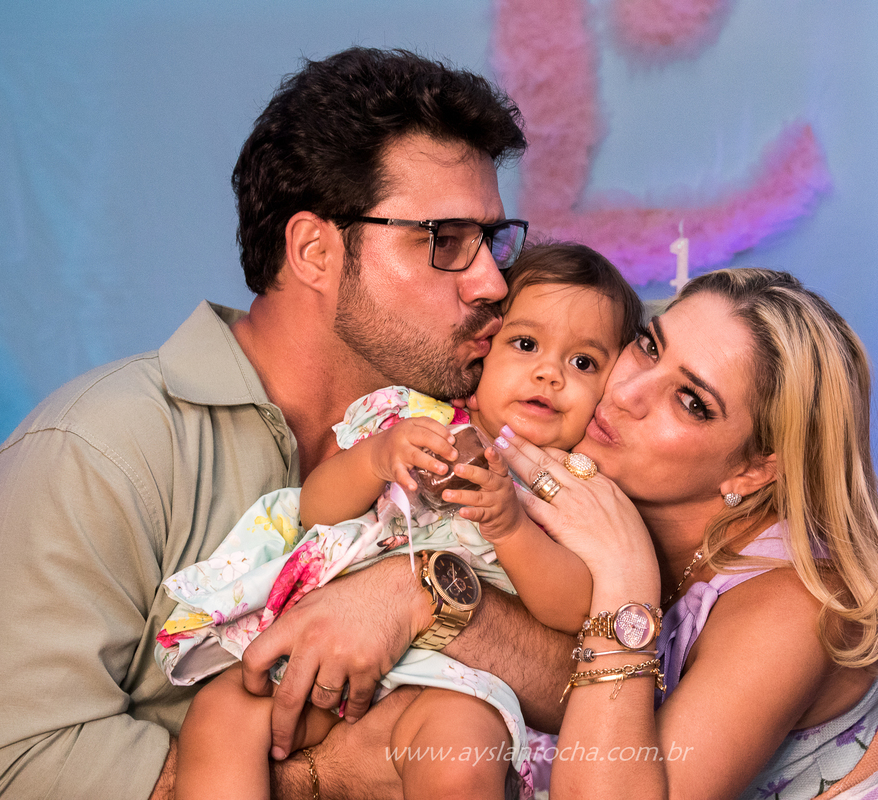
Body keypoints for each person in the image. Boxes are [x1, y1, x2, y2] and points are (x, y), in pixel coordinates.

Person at [0, 48, 579, 800]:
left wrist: (424, 594)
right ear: (314, 250)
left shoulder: (489, 430)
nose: (493, 281)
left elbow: (600, 690)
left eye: (493, 241)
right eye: (444, 239)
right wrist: (321, 779)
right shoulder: (99, 451)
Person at [486, 268, 878, 798]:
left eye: (691, 401)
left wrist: (627, 581)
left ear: (756, 469)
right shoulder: (601, 511)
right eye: (648, 346)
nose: (625, 393)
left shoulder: (796, 604)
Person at [160, 243, 643, 800]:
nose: (548, 373)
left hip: (454, 681)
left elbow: (575, 607)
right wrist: (373, 460)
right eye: (526, 344)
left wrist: (512, 529)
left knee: (459, 759)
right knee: (223, 711)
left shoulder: (570, 488)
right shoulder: (410, 418)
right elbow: (314, 510)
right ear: (483, 350)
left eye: (583, 363)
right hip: (322, 651)